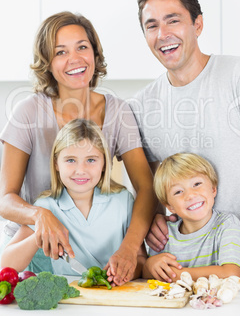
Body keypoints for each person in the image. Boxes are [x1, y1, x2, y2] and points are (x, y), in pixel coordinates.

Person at [129, 0, 240, 289]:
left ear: (198, 24)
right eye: (151, 26)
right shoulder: (141, 106)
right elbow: (157, 192)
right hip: (188, 271)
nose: (162, 34)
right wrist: (155, 222)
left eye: (173, 20)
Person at [0, 11, 156, 285]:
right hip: (35, 251)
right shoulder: (28, 112)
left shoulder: (117, 111)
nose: (75, 59)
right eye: (61, 52)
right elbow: (5, 198)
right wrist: (40, 216)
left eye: (82, 47)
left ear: (95, 53)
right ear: (47, 63)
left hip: (97, 249)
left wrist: (131, 247)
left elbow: (146, 186)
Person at [1, 119, 147, 280]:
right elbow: (6, 264)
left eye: (91, 160)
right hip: (68, 298)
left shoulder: (123, 201)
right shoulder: (46, 206)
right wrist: (40, 236)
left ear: (104, 163)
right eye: (71, 160)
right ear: (56, 164)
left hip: (116, 296)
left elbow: (140, 259)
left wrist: (123, 274)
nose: (80, 170)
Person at [142, 153, 240, 282]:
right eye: (178, 191)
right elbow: (146, 274)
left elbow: (231, 273)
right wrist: (149, 265)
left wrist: (178, 275)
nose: (190, 195)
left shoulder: (227, 225)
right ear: (170, 206)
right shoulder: (164, 234)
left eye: (196, 184)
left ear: (213, 189)